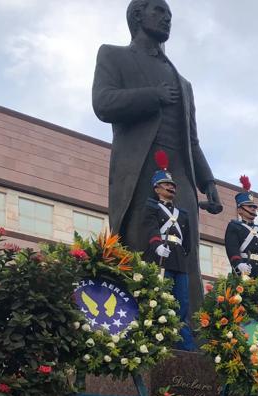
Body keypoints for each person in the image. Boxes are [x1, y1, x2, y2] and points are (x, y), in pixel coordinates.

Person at [92, 0, 221, 329]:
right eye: (159, 12)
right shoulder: (113, 55)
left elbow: (192, 140)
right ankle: (141, 332)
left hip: (180, 176)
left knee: (186, 258)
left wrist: (208, 183)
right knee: (142, 250)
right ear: (137, 15)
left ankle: (190, 341)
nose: (167, 19)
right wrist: (153, 95)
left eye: (169, 15)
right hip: (141, 173)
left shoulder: (183, 83)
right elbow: (103, 102)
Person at [141, 151, 196, 350]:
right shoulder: (152, 207)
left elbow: (187, 240)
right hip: (160, 257)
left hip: (179, 258)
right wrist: (157, 245)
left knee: (182, 303)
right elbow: (150, 227)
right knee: (158, 300)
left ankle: (185, 345)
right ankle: (155, 341)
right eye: (166, 184)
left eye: (172, 185)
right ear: (157, 188)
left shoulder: (182, 213)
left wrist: (182, 252)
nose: (171, 187)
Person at [226, 176, 258, 278]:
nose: (253, 209)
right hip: (243, 269)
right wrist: (238, 264)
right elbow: (232, 248)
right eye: (249, 206)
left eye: (254, 207)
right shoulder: (234, 226)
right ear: (240, 210)